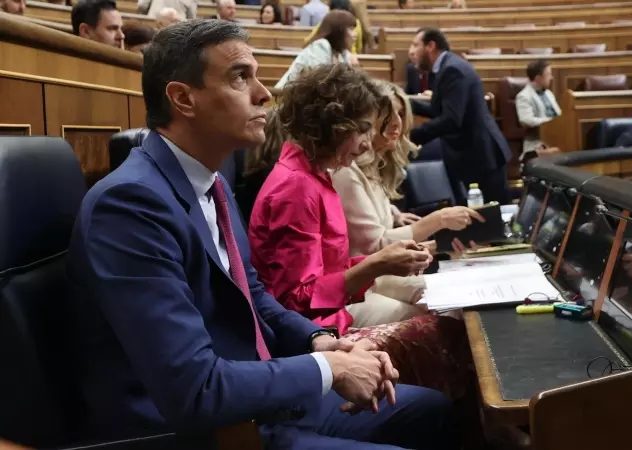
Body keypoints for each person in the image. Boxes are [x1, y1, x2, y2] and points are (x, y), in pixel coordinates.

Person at [67, 20, 456, 449]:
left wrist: (319, 340)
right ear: (182, 98)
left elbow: (256, 297)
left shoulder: (212, 183)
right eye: (240, 77)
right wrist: (328, 368)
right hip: (210, 431)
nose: (264, 93)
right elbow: (194, 388)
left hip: (256, 399)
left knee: (433, 412)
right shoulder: (130, 206)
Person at [249, 66, 475, 411]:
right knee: (451, 330)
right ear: (333, 126)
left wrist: (380, 262)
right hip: (315, 333)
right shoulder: (296, 187)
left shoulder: (317, 176)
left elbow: (329, 270)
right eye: (364, 129)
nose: (370, 143)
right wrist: (376, 264)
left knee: (452, 317)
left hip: (333, 316)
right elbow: (296, 300)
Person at [332, 81, 484, 259]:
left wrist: (439, 246)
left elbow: (384, 247)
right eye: (389, 114)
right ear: (369, 120)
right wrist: (439, 219)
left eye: (401, 114)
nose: (397, 122)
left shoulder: (375, 167)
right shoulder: (345, 171)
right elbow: (375, 248)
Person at [408, 28, 513, 205]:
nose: (411, 51)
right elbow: (438, 109)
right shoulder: (447, 67)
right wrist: (406, 103)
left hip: (481, 156)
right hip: (473, 155)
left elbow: (451, 119)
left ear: (431, 46)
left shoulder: (452, 70)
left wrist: (412, 136)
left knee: (494, 216)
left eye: (416, 45)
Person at [275, 10, 357, 89]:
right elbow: (319, 82)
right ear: (338, 30)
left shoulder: (342, 53)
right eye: (351, 29)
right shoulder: (320, 46)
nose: (355, 34)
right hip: (286, 96)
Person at [515, 59, 562, 160]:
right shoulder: (524, 96)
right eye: (548, 74)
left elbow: (560, 115)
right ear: (538, 78)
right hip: (537, 142)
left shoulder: (549, 94)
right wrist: (551, 122)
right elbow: (526, 120)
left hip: (557, 137)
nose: (551, 78)